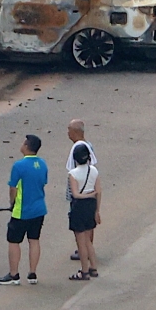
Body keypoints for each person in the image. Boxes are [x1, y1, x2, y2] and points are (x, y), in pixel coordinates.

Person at [0, 135, 49, 285]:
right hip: (39, 208)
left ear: (26, 146)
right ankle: (32, 273)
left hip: (22, 210)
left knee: (14, 241)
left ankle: (14, 274)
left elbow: (13, 187)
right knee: (34, 240)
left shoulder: (18, 166)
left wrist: (12, 202)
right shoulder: (42, 164)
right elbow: (43, 182)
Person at [67, 143, 100, 280]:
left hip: (79, 207)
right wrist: (97, 209)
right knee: (88, 240)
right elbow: (98, 191)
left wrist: (86, 195)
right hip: (91, 206)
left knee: (80, 241)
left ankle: (84, 270)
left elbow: (75, 194)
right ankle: (93, 267)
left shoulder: (73, 174)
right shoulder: (94, 171)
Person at [66, 119, 96, 261]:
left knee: (80, 225)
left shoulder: (77, 147)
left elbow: (72, 170)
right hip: (89, 189)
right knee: (89, 222)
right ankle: (88, 248)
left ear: (76, 131)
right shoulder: (88, 145)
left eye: (69, 130)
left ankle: (83, 249)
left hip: (79, 190)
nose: (68, 133)